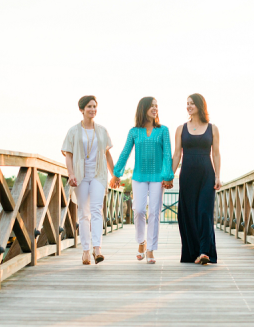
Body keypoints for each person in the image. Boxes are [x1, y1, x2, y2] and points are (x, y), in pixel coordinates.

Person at [110, 97, 174, 264]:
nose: (155, 108)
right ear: (143, 108)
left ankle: (151, 249)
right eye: (151, 106)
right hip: (138, 176)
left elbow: (168, 155)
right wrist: (116, 173)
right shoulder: (134, 131)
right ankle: (141, 242)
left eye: (156, 106)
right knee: (138, 210)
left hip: (157, 177)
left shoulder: (163, 130)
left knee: (154, 212)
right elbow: (125, 153)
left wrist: (168, 176)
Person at [61, 95, 115, 265]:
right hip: (80, 176)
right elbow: (68, 155)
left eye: (94, 106)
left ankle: (97, 249)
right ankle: (85, 251)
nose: (93, 109)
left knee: (96, 210)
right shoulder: (73, 131)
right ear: (82, 110)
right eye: (89, 107)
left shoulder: (102, 130)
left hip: (98, 174)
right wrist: (71, 174)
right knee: (84, 213)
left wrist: (114, 174)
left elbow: (107, 154)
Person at [172, 93, 221, 265]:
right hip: (187, 176)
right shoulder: (181, 128)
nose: (189, 106)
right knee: (188, 214)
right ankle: (193, 252)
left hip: (206, 175)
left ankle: (204, 251)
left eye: (192, 103)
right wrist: (170, 176)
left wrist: (218, 176)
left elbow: (216, 154)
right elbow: (177, 154)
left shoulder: (212, 128)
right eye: (187, 104)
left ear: (200, 106)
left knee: (204, 212)